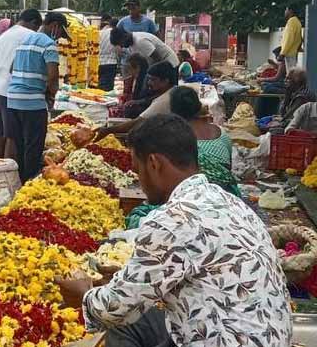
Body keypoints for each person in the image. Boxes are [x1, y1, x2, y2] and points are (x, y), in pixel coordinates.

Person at [69, 114, 293, 347]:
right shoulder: (231, 202)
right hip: (264, 335)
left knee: (121, 323)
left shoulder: (169, 221)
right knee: (148, 319)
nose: (139, 181)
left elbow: (112, 309)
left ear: (154, 163)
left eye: (138, 170)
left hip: (228, 338)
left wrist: (83, 293)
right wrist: (128, 277)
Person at [6, 12, 66, 183]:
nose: (60, 37)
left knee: (19, 145)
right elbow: (53, 76)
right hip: (32, 103)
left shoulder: (23, 42)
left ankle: (18, 183)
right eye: (61, 32)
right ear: (54, 26)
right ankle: (29, 185)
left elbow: (11, 69)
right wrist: (51, 95)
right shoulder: (49, 44)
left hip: (13, 100)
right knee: (33, 148)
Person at [0, 9, 42, 158]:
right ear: (33, 23)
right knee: (13, 136)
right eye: (37, 27)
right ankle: (12, 173)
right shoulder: (31, 36)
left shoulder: (3, 35)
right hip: (12, 91)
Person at [97, 61, 178, 139]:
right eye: (149, 79)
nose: (149, 82)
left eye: (153, 80)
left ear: (165, 81)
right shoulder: (173, 90)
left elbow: (136, 123)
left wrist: (108, 130)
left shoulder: (164, 100)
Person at [110, 27, 179, 67]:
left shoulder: (140, 41)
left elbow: (158, 58)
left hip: (169, 63)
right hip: (160, 63)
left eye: (120, 44)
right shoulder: (131, 44)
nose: (122, 47)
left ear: (124, 37)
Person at [98, 17, 119, 91]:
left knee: (98, 86)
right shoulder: (116, 34)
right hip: (111, 63)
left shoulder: (99, 33)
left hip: (98, 63)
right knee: (107, 89)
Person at [281, 6, 303, 72]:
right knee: (292, 74)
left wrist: (282, 53)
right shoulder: (297, 21)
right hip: (293, 52)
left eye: (286, 9)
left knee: (291, 75)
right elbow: (300, 38)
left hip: (289, 52)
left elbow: (289, 38)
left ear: (290, 11)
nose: (285, 12)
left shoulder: (292, 21)